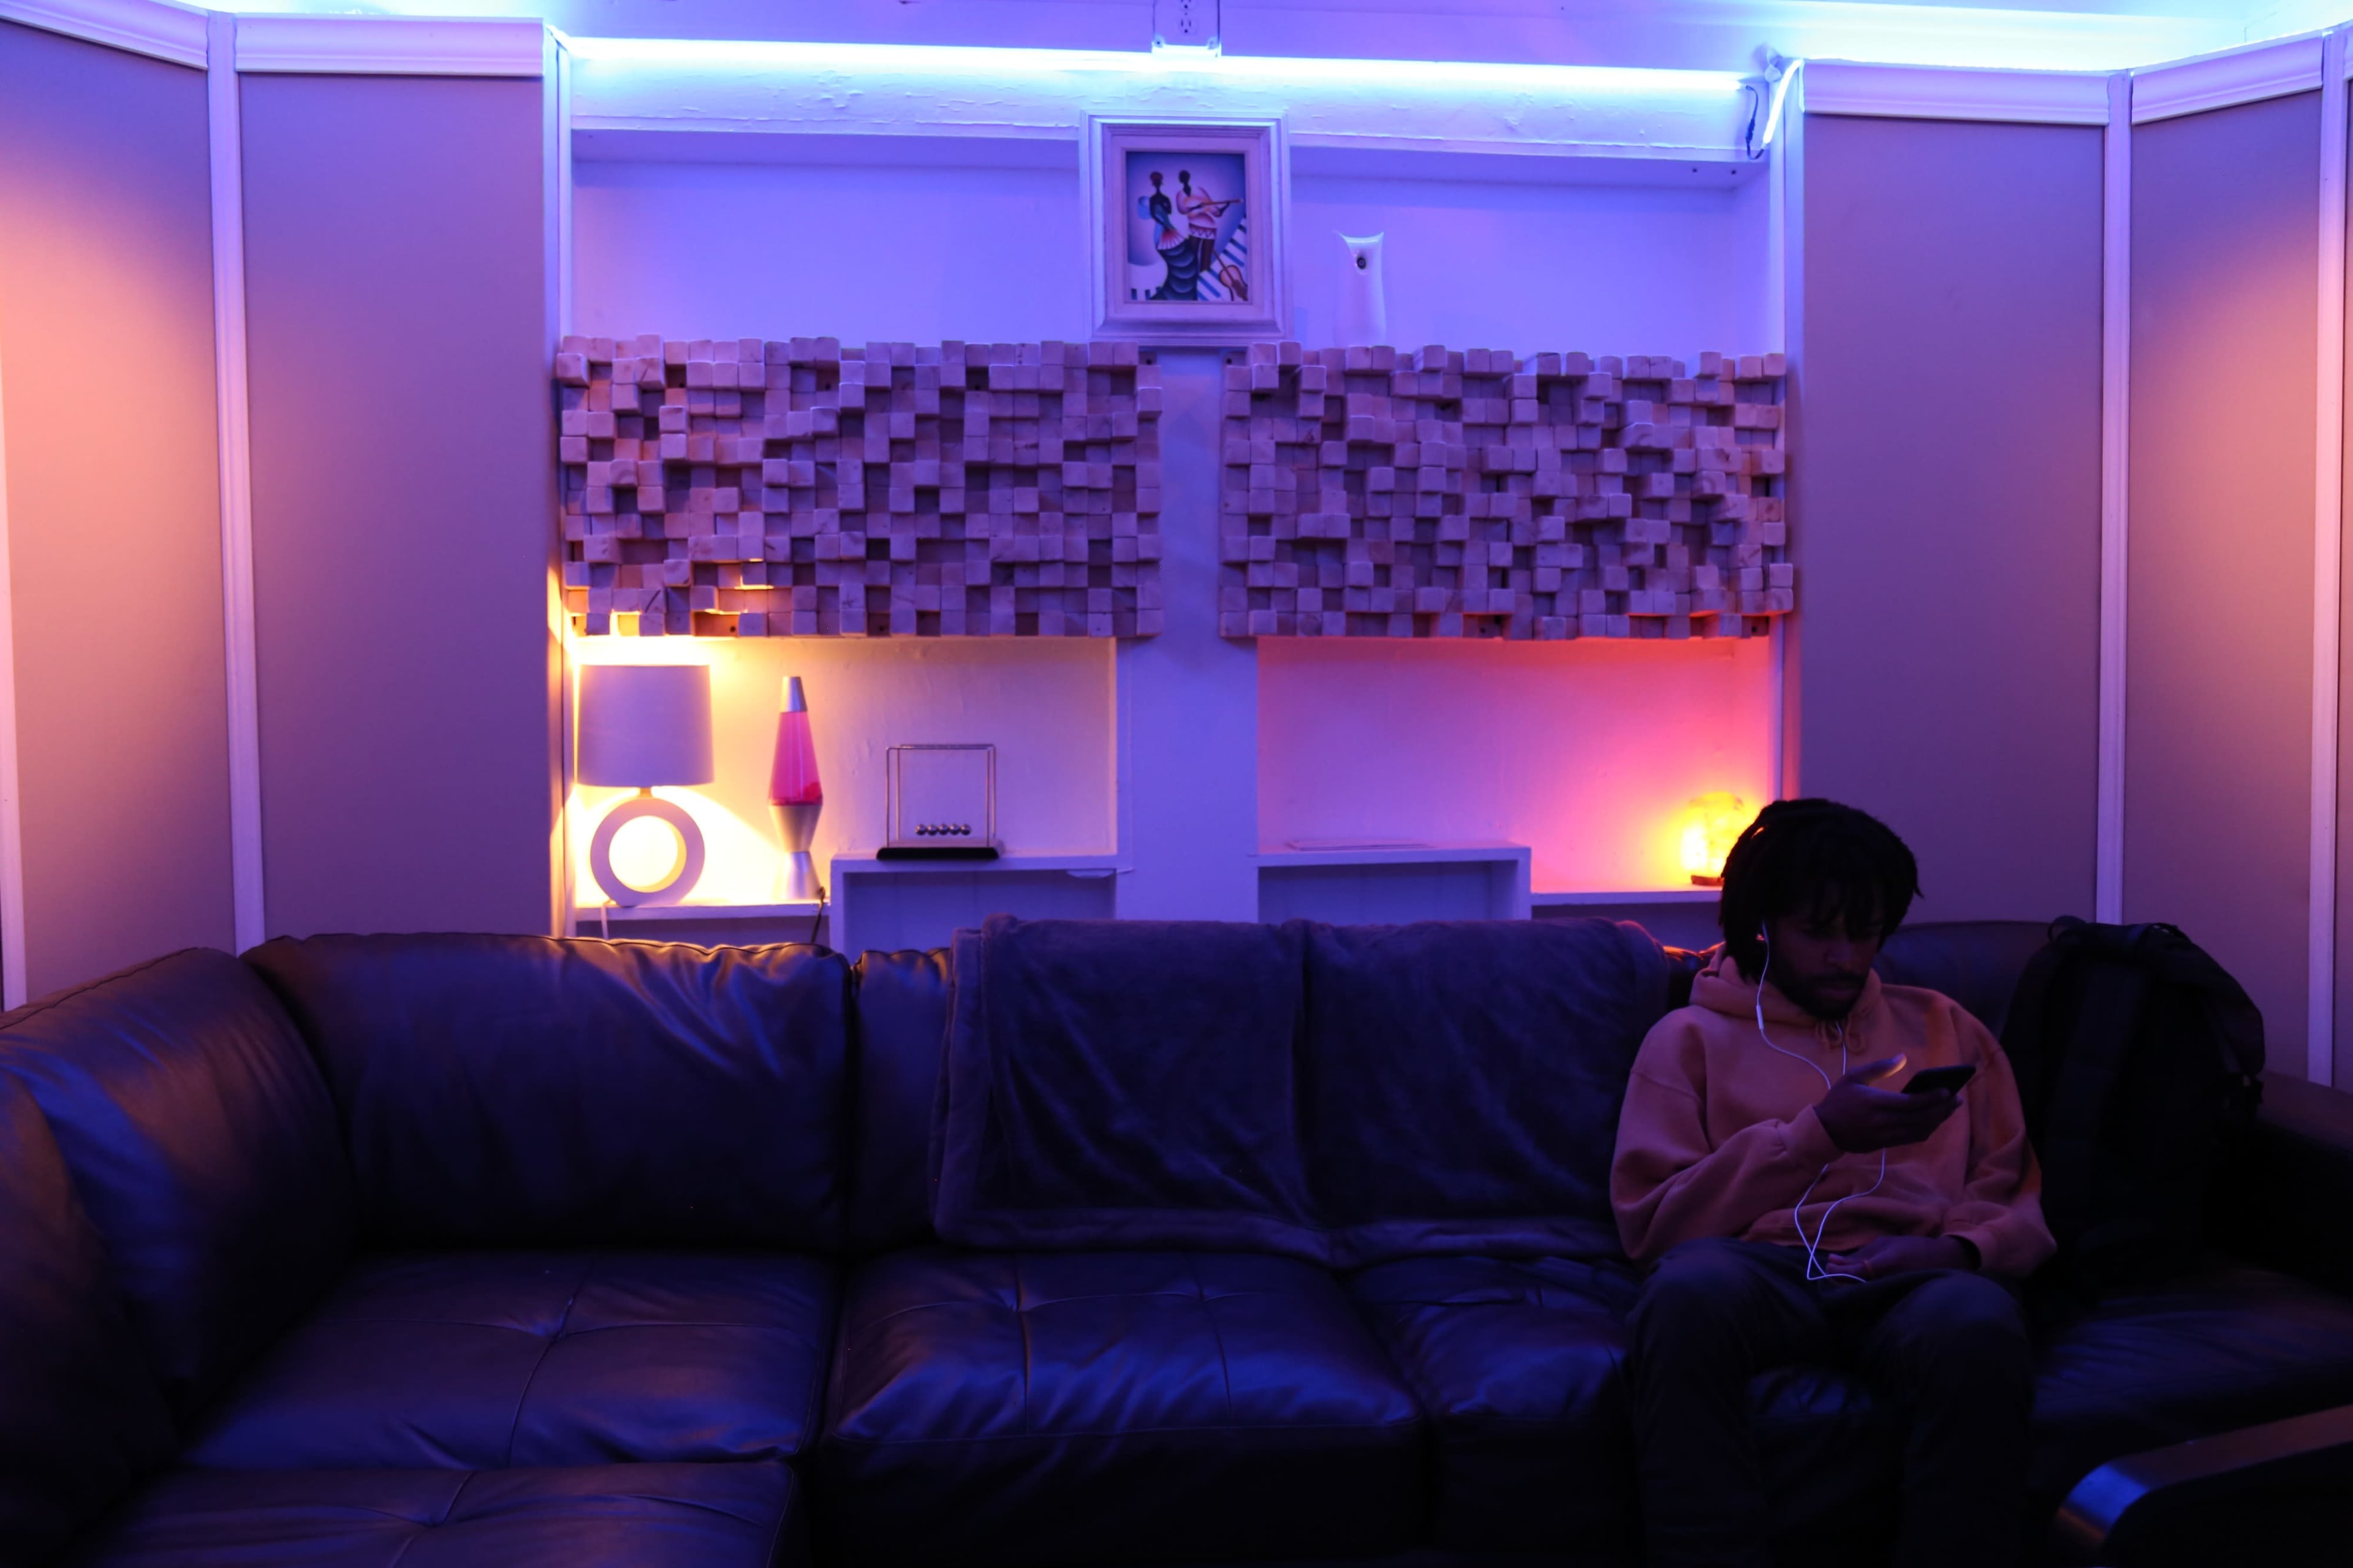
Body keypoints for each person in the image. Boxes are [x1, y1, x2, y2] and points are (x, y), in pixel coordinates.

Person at [1610, 798, 2054, 1568]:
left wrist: (1953, 1253)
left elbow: (2011, 1192)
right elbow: (1654, 1226)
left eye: (1864, 932)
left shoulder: (1945, 1026)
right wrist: (1817, 1136)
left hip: (1912, 1270)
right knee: (1685, 1299)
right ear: (1764, 925)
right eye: (1818, 932)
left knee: (1977, 1327)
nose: (1845, 957)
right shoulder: (1688, 1038)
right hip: (1760, 1269)